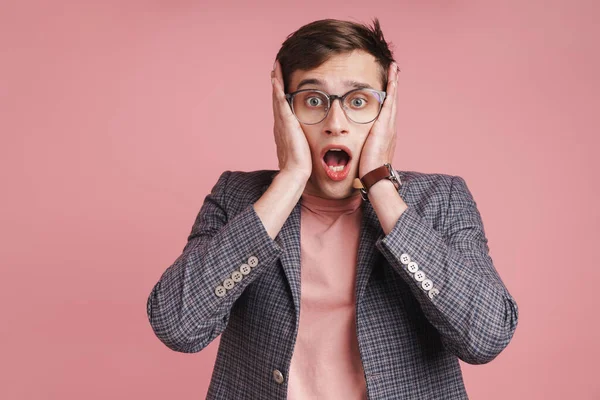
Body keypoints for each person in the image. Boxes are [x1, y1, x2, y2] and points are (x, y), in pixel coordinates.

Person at [146, 18, 519, 400]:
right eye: (312, 101)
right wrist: (290, 179)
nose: (335, 124)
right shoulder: (238, 197)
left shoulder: (441, 199)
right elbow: (177, 326)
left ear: (386, 112)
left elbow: (485, 337)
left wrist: (380, 185)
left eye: (359, 101)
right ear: (283, 112)